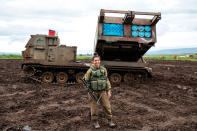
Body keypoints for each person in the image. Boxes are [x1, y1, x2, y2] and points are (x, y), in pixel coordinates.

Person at [84, 53, 116, 129]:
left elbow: (106, 80)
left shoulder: (103, 69)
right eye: (95, 60)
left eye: (98, 60)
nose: (97, 62)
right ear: (93, 61)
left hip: (102, 92)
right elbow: (86, 82)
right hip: (93, 92)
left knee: (106, 106)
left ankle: (110, 120)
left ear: (100, 61)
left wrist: (108, 91)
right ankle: (95, 121)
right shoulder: (90, 71)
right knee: (94, 107)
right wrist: (89, 90)